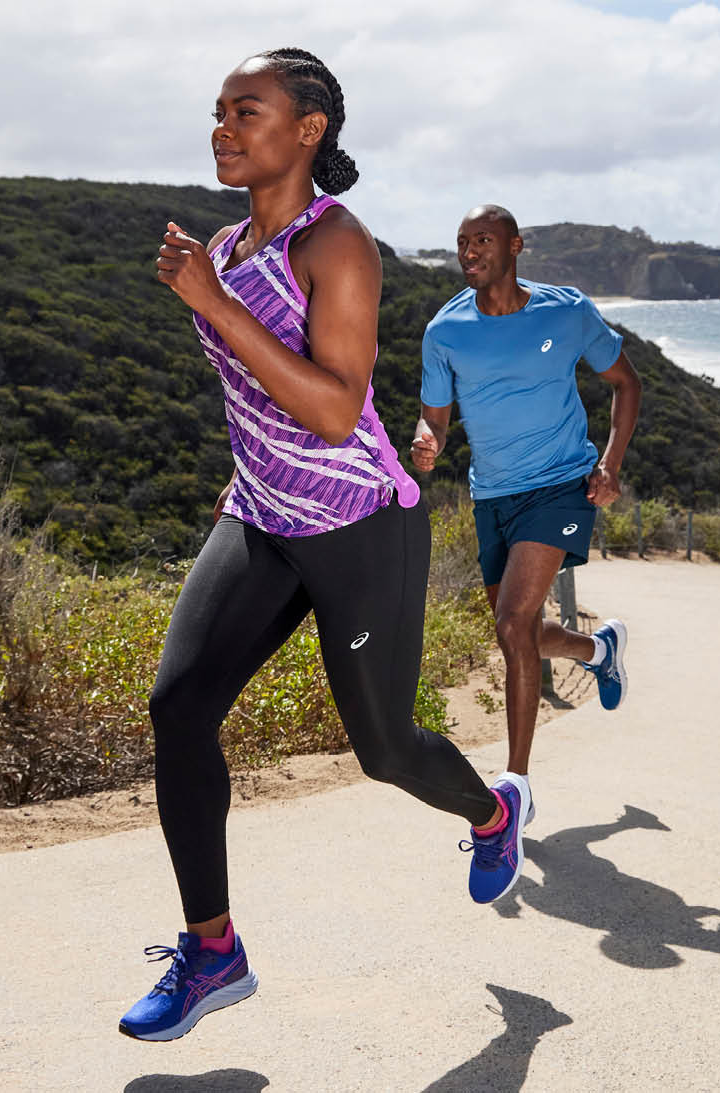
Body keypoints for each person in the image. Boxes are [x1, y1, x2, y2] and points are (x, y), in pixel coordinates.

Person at [121, 48, 515, 1042]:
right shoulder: (228, 244)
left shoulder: (335, 246)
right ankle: (212, 949)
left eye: (245, 111)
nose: (222, 128)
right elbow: (251, 394)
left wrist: (207, 302)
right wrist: (243, 467)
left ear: (307, 130)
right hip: (262, 514)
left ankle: (489, 813)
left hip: (356, 523)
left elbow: (339, 412)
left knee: (383, 751)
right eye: (216, 112)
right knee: (178, 707)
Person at [410, 204, 643, 891]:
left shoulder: (565, 312)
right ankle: (599, 650)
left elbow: (624, 383)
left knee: (513, 624)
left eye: (482, 240)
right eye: (460, 243)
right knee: (519, 632)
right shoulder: (444, 329)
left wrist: (610, 464)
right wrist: (428, 441)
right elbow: (436, 419)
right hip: (493, 495)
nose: (469, 251)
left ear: (515, 246)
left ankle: (512, 790)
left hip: (561, 485)